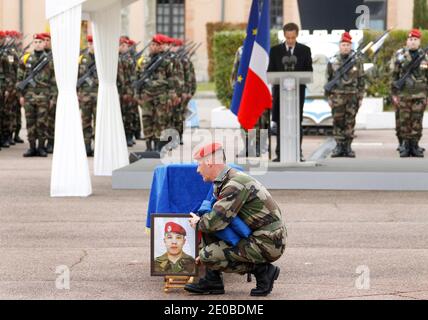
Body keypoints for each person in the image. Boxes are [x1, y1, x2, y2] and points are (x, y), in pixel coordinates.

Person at [185, 143, 287, 296]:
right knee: (207, 229)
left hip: (269, 242)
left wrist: (198, 222)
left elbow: (214, 222)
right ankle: (213, 281)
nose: (197, 170)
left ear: (209, 163)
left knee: (207, 255)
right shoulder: (225, 181)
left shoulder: (235, 184)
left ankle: (263, 271)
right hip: (258, 235)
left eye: (199, 165)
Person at [268, 23, 313, 162]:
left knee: (296, 121)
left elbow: (308, 71)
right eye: (288, 37)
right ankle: (280, 153)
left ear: (297, 36)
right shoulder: (275, 50)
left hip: (297, 93)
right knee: (281, 122)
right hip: (280, 93)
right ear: (284, 35)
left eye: (293, 37)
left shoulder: (305, 50)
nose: (290, 41)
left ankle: (297, 152)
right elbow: (271, 71)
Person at [326, 32, 365, 158]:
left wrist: (360, 97)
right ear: (339, 46)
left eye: (348, 45)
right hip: (337, 96)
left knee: (350, 121)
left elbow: (361, 80)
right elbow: (328, 79)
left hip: (352, 96)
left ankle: (347, 147)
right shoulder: (332, 60)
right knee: (338, 121)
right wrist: (329, 97)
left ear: (351, 46)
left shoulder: (356, 61)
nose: (346, 47)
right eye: (343, 44)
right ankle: (338, 146)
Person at [16, 34, 56, 157]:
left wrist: (52, 97)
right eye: (36, 41)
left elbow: (54, 80)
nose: (38, 44)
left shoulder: (49, 60)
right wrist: (20, 96)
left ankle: (41, 147)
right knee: (30, 123)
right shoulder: (26, 58)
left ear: (44, 43)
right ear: (33, 43)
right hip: (28, 96)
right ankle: (32, 147)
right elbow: (20, 78)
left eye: (40, 41)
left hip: (44, 95)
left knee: (42, 123)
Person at [390, 28, 428, 158]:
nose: (412, 42)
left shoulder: (425, 56)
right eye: (410, 39)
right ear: (407, 41)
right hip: (404, 95)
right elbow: (393, 76)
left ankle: (415, 146)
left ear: (419, 41)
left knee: (417, 120)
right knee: (404, 121)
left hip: (420, 95)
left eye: (415, 40)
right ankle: (405, 146)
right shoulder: (400, 55)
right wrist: (394, 94)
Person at [78, 35, 98, 157]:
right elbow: (76, 77)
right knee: (86, 122)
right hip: (85, 95)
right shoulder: (81, 59)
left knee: (98, 123)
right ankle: (86, 147)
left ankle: (98, 147)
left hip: (98, 95)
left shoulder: (102, 58)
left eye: (94, 44)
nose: (93, 46)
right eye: (91, 44)